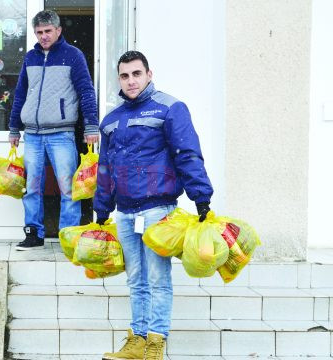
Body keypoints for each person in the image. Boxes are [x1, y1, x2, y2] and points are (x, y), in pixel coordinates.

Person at [94, 51, 213, 360]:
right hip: (126, 212)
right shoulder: (110, 121)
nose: (131, 80)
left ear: (149, 73)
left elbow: (187, 153)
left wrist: (201, 197)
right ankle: (136, 341)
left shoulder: (170, 108)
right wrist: (101, 208)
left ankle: (156, 343)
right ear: (118, 79)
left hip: (158, 211)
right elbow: (104, 168)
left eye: (136, 73)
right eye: (124, 75)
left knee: (158, 279)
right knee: (136, 279)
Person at [8, 10, 99, 250]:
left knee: (68, 188)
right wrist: (14, 128)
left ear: (58, 30)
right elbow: (20, 94)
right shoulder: (30, 57)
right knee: (32, 187)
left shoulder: (73, 55)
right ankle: (33, 233)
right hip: (33, 135)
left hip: (62, 133)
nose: (43, 36)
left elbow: (86, 92)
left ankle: (67, 236)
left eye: (48, 31)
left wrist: (91, 125)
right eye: (39, 32)